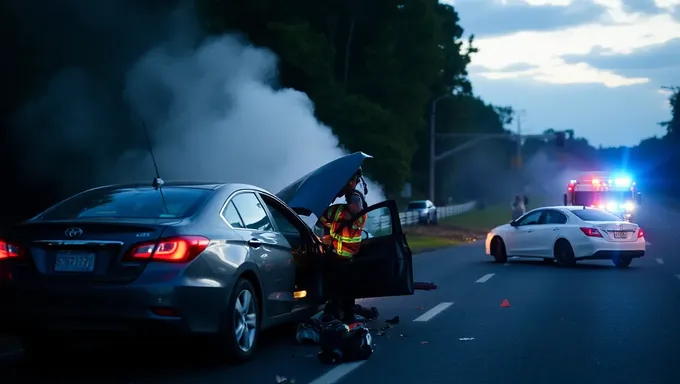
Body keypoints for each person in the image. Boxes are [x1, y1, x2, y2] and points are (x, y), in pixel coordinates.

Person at [316, 169, 368, 322]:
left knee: (347, 291)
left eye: (356, 202)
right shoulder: (337, 210)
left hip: (348, 259)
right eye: (353, 201)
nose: (354, 205)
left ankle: (348, 316)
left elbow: (355, 214)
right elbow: (322, 220)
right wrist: (326, 236)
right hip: (334, 257)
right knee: (336, 289)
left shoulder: (361, 216)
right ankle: (336, 314)